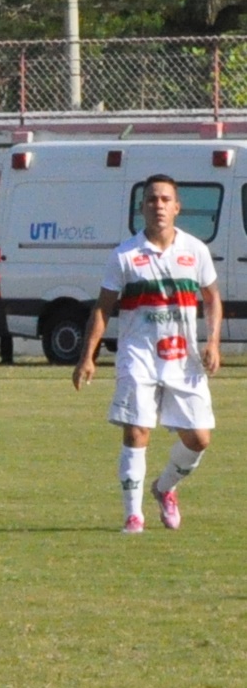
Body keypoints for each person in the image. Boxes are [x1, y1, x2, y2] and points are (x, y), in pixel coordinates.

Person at [73, 173, 222, 533]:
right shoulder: (125, 255)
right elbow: (102, 307)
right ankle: (133, 515)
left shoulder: (195, 251)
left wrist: (213, 342)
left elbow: (212, 298)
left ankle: (164, 487)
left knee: (199, 439)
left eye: (165, 199)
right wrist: (88, 356)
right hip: (138, 355)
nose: (159, 206)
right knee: (137, 431)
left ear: (177, 207)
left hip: (183, 360)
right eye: (152, 199)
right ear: (142, 208)